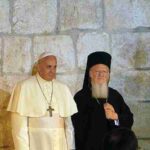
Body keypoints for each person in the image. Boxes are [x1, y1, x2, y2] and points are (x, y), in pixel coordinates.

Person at [7, 52, 78, 150]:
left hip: (60, 145)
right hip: (37, 144)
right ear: (38, 67)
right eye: (49, 67)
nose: (52, 71)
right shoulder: (24, 87)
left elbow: (69, 126)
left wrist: (70, 148)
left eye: (55, 67)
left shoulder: (63, 88)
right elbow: (19, 129)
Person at [71, 51, 133, 150]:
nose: (101, 75)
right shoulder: (80, 97)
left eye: (105, 72)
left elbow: (129, 118)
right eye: (97, 71)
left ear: (108, 75)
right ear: (90, 74)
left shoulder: (115, 95)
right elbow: (76, 127)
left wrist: (115, 117)